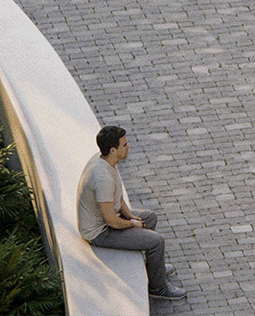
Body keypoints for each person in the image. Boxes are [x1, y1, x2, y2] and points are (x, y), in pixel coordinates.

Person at [76, 125, 188, 300]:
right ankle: (158, 288)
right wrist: (132, 224)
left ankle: (153, 269)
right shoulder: (102, 177)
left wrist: (130, 215)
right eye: (125, 145)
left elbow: (118, 197)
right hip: (100, 232)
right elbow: (111, 220)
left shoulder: (107, 161)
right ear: (113, 150)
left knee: (149, 217)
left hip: (108, 220)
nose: (128, 147)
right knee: (156, 241)